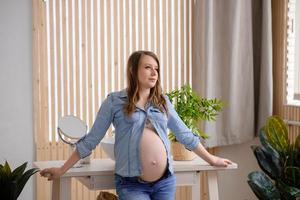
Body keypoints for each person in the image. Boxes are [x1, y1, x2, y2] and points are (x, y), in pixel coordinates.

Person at [40, 50, 232, 200]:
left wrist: (212, 160)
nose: (154, 72)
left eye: (156, 68)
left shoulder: (163, 102)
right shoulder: (114, 102)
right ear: (133, 70)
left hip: (165, 182)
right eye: (148, 67)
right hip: (132, 185)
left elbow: (184, 135)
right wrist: (62, 170)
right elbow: (92, 139)